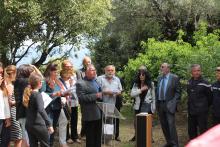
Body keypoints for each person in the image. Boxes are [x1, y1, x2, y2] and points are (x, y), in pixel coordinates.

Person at [76, 64, 102, 147]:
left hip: (99, 112)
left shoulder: (96, 81)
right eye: (92, 70)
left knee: (98, 136)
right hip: (89, 114)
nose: (94, 72)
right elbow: (81, 98)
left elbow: (100, 92)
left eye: (95, 70)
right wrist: (96, 96)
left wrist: (102, 95)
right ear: (86, 72)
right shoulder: (80, 83)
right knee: (90, 138)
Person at [25, 73, 54, 147]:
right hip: (38, 125)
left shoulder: (28, 93)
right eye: (41, 81)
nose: (42, 83)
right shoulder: (37, 94)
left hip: (29, 124)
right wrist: (49, 124)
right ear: (39, 83)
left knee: (33, 145)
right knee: (45, 145)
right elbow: (41, 110)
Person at [156, 63, 181, 147]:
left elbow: (178, 92)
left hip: (169, 105)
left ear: (168, 68)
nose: (161, 68)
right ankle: (169, 142)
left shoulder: (174, 78)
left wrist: (173, 102)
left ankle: (175, 144)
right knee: (164, 125)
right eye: (161, 67)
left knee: (171, 125)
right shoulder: (159, 78)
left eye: (163, 67)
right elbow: (157, 91)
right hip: (160, 104)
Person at [130, 65, 156, 142]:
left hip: (147, 106)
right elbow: (132, 94)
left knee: (148, 123)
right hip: (137, 106)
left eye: (143, 74)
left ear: (146, 75)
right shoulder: (135, 84)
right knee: (136, 123)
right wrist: (141, 89)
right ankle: (138, 136)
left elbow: (154, 97)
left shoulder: (151, 84)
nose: (141, 76)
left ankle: (149, 137)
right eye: (140, 74)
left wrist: (153, 108)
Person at [97, 65, 122, 142]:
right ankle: (99, 138)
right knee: (100, 122)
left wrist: (116, 93)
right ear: (105, 71)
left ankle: (107, 140)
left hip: (111, 104)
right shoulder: (100, 78)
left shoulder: (117, 79)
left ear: (114, 71)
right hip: (100, 104)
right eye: (108, 70)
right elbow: (96, 90)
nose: (110, 72)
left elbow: (120, 90)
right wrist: (105, 92)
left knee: (109, 122)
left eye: (112, 70)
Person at [187, 64, 212, 140]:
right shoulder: (189, 82)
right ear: (192, 72)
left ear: (201, 71)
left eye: (198, 70)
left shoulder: (206, 83)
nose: (197, 72)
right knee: (191, 131)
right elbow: (189, 94)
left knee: (203, 131)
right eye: (195, 71)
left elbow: (210, 98)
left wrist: (203, 107)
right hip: (191, 112)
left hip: (202, 112)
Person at [40, 63, 63, 146]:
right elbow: (42, 94)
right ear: (49, 71)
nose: (57, 73)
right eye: (55, 72)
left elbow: (61, 91)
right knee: (48, 128)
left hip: (57, 107)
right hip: (48, 108)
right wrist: (53, 94)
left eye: (57, 72)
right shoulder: (44, 80)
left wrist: (64, 94)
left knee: (53, 128)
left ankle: (51, 144)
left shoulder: (57, 81)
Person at [61, 60, 81, 144]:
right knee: (66, 119)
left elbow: (76, 86)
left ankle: (74, 136)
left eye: (71, 66)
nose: (70, 68)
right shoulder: (60, 77)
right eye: (68, 66)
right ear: (63, 67)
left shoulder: (74, 75)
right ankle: (66, 137)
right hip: (65, 101)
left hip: (74, 100)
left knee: (74, 118)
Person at [5, 65, 23, 147]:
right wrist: (16, 102)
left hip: (10, 113)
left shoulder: (7, 84)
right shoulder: (9, 86)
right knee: (18, 137)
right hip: (12, 113)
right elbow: (8, 102)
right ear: (13, 73)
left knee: (8, 137)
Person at [76, 56, 92, 138]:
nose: (89, 63)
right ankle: (83, 133)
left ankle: (89, 132)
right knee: (84, 115)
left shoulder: (93, 71)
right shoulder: (79, 72)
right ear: (84, 63)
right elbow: (80, 83)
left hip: (92, 96)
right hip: (84, 96)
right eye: (87, 62)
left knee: (91, 115)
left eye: (89, 62)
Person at [0, 62, 11, 147]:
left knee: (5, 141)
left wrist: (8, 117)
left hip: (3, 118)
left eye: (1, 73)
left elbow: (6, 102)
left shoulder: (4, 86)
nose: (0, 75)